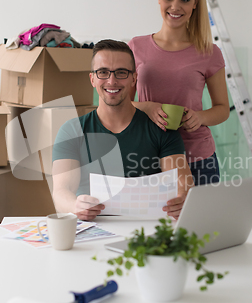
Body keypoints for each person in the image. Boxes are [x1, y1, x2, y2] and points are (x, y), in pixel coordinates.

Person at [52, 39, 194, 221]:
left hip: (147, 232)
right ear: (92, 79)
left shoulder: (161, 129)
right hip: (91, 230)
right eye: (103, 72)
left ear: (134, 78)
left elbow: (182, 183)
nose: (112, 81)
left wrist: (182, 198)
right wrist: (74, 206)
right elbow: (61, 192)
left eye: (121, 73)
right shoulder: (72, 131)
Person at [128, 0, 230, 186]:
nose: (175, 7)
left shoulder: (209, 52)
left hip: (198, 159)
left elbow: (223, 109)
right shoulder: (135, 46)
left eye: (185, 0)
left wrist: (200, 117)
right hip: (148, 156)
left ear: (195, 4)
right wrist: (147, 107)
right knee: (152, 223)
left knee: (199, 222)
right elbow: (118, 105)